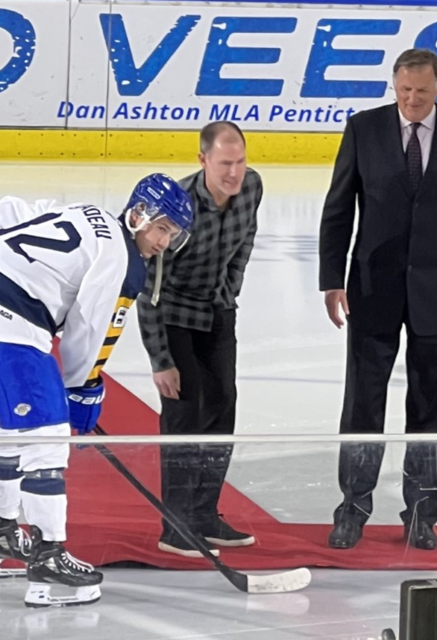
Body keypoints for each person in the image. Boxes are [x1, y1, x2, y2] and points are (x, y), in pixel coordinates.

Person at [0, 174, 194, 607]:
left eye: (173, 234)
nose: (164, 241)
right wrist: (82, 390)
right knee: (50, 436)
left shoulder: (83, 212)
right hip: (7, 320)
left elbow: (7, 206)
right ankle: (48, 557)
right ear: (138, 215)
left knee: (4, 425)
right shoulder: (123, 261)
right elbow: (89, 330)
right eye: (162, 228)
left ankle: (1, 535)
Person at [318, 48, 437, 551]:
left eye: (421, 91)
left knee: (429, 406)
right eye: (404, 91)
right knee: (362, 403)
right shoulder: (363, 129)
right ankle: (352, 507)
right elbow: (338, 210)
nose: (412, 100)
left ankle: (422, 512)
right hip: (371, 289)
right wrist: (332, 279)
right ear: (394, 87)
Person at [138, 121, 262, 558]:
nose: (234, 172)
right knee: (184, 413)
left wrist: (230, 290)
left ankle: (204, 512)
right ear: (203, 160)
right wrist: (160, 359)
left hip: (218, 309)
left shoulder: (252, 188)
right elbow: (148, 290)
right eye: (225, 163)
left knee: (223, 406)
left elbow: (246, 239)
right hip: (174, 315)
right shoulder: (176, 208)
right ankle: (175, 526)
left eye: (240, 161)